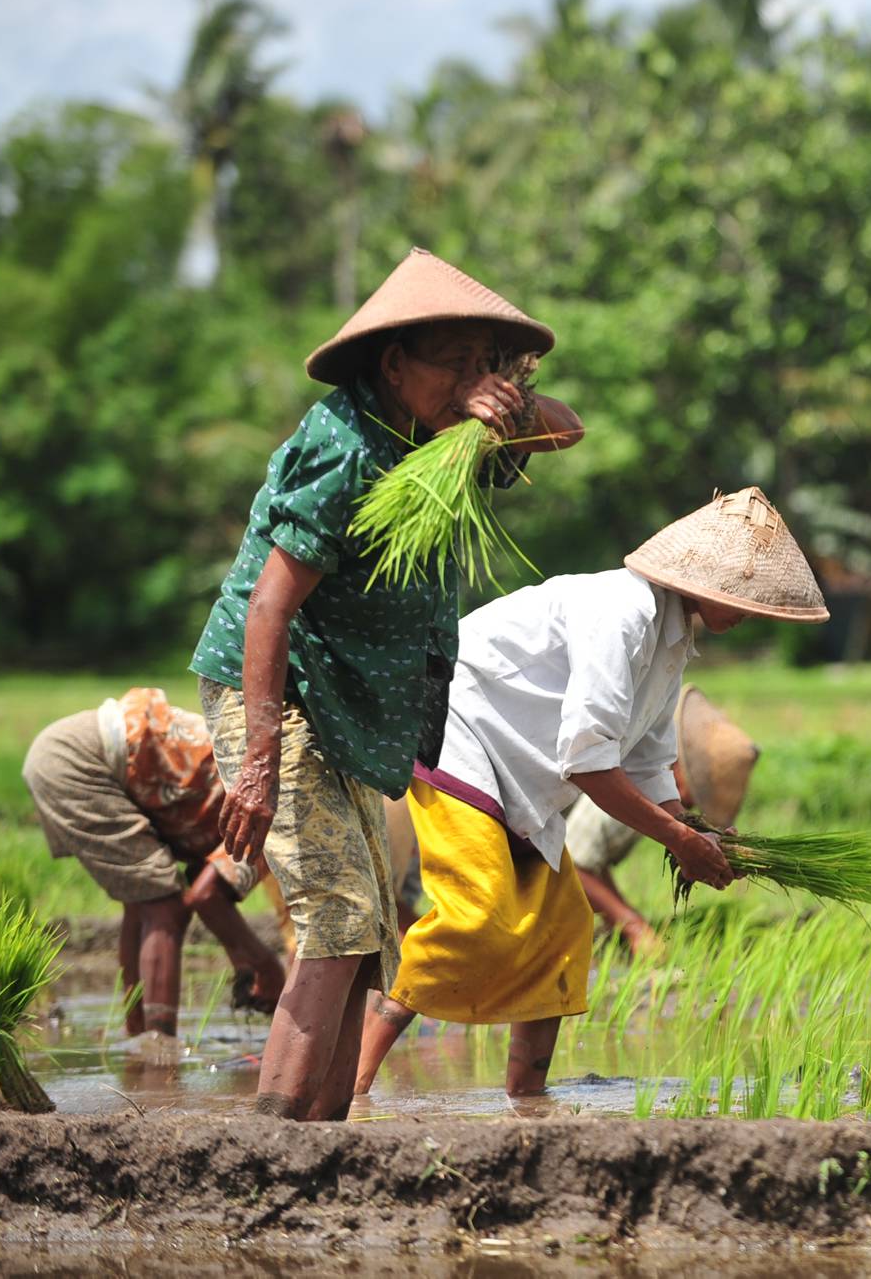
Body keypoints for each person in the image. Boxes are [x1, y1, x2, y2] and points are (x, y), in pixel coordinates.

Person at [191, 247, 584, 1121]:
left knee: (369, 934)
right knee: (335, 917)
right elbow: (269, 607)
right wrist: (256, 765)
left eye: (484, 362)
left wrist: (500, 408)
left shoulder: (447, 441)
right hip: (284, 697)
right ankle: (267, 1150)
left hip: (353, 709)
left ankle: (321, 1143)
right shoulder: (345, 445)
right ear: (394, 362)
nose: (468, 378)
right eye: (453, 361)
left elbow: (568, 427)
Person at [353, 487, 828, 1099]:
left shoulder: (674, 641)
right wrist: (680, 839)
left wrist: (695, 829)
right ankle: (355, 1092)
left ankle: (527, 1101)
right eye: (743, 599)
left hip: (520, 767)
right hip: (460, 734)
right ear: (703, 580)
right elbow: (588, 763)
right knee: (475, 916)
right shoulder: (622, 614)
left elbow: (650, 759)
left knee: (563, 929)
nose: (750, 615)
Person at [21, 687, 285, 1044]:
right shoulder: (278, 814)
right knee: (163, 905)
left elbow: (204, 890)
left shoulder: (265, 785)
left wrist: (245, 958)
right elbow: (206, 897)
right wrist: (265, 965)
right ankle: (160, 1048)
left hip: (65, 749)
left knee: (144, 902)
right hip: (85, 761)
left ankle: (138, 1037)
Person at [563, 685, 758, 957]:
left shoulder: (654, 791)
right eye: (692, 797)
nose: (687, 808)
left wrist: (619, 918)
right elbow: (574, 862)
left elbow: (593, 858)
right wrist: (633, 926)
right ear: (677, 770)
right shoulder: (633, 788)